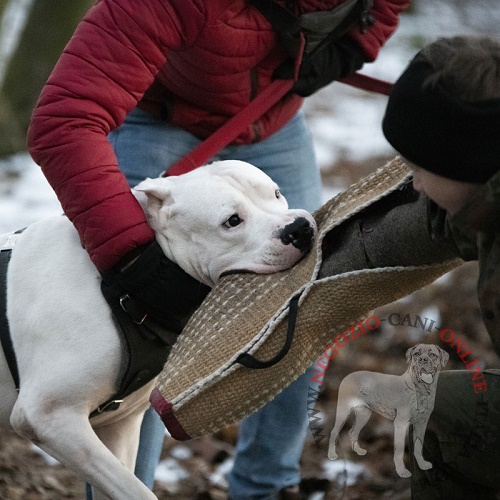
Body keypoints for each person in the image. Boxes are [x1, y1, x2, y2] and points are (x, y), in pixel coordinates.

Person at [26, 1, 410, 498]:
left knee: (305, 304)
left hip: (272, 121)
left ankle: (266, 487)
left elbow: (383, 6)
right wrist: (129, 256)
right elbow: (65, 119)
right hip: (155, 116)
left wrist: (353, 43)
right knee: (134, 329)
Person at [318, 34, 500, 498]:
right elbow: (412, 235)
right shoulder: (482, 197)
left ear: (464, 160)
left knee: (440, 410)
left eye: (419, 164)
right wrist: (313, 275)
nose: (413, 182)